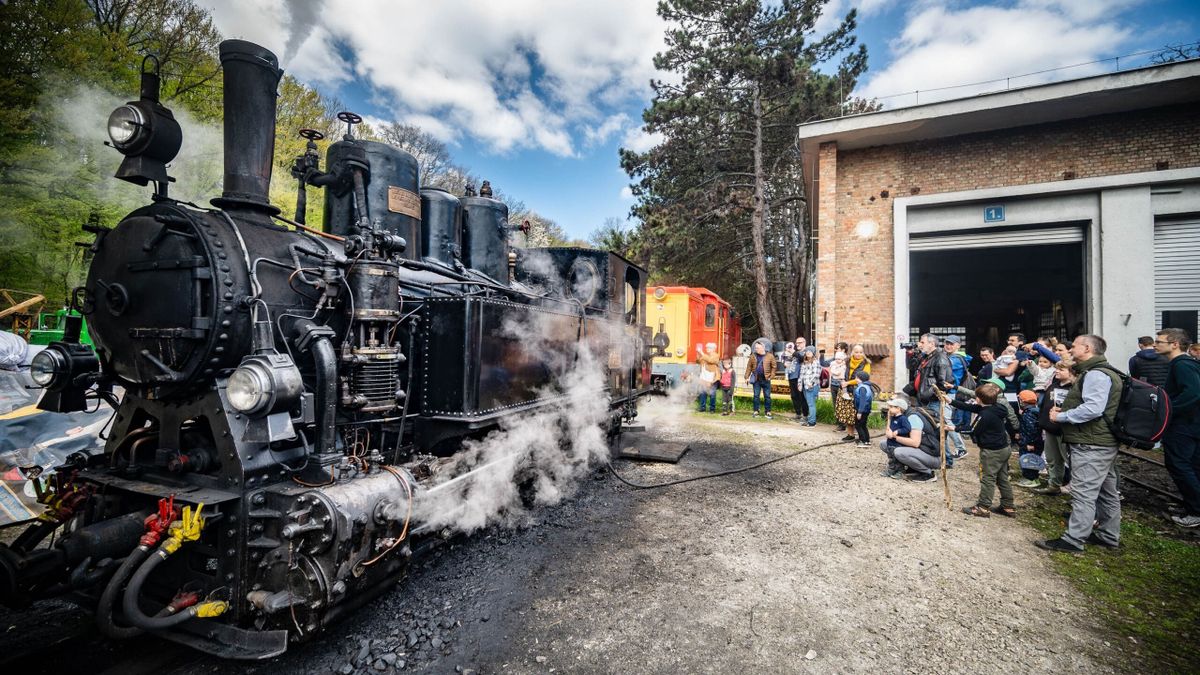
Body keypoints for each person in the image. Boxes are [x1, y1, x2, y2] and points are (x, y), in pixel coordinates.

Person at [1037, 334, 1124, 553]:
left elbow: (1093, 408)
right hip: (1100, 441)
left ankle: (1073, 540)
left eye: (1073, 346)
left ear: (1086, 348)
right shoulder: (1101, 371)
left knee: (1084, 492)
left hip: (1091, 442)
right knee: (1107, 491)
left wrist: (1062, 417)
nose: (1069, 350)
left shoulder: (1096, 374)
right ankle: (1108, 535)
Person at [1154, 328, 1200, 527]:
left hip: (1184, 425)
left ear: (1174, 344)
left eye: (1160, 341)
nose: (1155, 345)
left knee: (1178, 464)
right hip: (1191, 424)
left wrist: (1169, 409)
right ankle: (1192, 505)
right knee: (1193, 465)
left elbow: (1193, 393)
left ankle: (1196, 510)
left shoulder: (1182, 365)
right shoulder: (1186, 363)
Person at [953, 383, 1017, 517]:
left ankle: (983, 507)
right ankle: (1008, 506)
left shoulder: (985, 415)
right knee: (1002, 478)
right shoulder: (997, 407)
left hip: (991, 452)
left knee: (987, 478)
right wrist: (952, 401)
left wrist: (953, 428)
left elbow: (972, 430)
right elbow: (973, 408)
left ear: (978, 399)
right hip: (1004, 448)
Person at [907, 333, 958, 464]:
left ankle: (946, 460)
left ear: (932, 343)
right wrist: (910, 353)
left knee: (938, 429)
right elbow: (911, 367)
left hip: (932, 400)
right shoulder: (926, 357)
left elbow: (945, 382)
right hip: (923, 399)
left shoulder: (940, 358)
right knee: (930, 429)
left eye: (922, 342)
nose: (920, 344)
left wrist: (931, 395)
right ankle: (940, 457)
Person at [1035, 357, 1075, 496]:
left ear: (1071, 372)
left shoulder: (1075, 389)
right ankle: (1054, 485)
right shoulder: (1053, 384)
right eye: (1056, 368)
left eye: (1061, 369)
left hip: (1065, 430)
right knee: (1053, 459)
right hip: (1050, 427)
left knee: (1069, 460)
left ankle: (1074, 488)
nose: (1056, 371)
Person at [879, 396, 939, 481]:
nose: (889, 409)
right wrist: (889, 418)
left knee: (898, 452)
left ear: (899, 408)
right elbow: (889, 432)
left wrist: (894, 437)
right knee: (884, 444)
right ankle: (908, 468)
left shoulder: (912, 418)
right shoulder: (899, 416)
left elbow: (915, 443)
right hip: (921, 450)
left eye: (891, 407)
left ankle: (928, 473)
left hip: (930, 454)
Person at [944, 335, 972, 456]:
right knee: (945, 419)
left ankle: (961, 448)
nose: (948, 346)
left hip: (951, 392)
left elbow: (942, 367)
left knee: (946, 420)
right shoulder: (951, 357)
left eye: (952, 344)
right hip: (950, 392)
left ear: (958, 346)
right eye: (947, 343)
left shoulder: (956, 359)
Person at [1015, 390, 1045, 488]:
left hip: (1030, 442)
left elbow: (1031, 429)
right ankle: (1034, 478)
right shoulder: (1036, 411)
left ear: (1022, 401)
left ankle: (1030, 479)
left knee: (1028, 460)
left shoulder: (1028, 414)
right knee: (1034, 459)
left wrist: (1030, 443)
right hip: (1036, 441)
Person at [744, 340, 776, 419]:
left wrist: (771, 376)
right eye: (755, 348)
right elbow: (749, 367)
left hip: (766, 379)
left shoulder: (770, 356)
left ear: (763, 348)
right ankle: (756, 411)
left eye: (757, 348)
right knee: (756, 396)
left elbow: (774, 367)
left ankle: (768, 412)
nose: (756, 349)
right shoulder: (753, 356)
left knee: (767, 396)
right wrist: (746, 377)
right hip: (756, 379)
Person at [823, 342, 850, 431]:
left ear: (843, 349)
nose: (835, 350)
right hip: (833, 384)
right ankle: (840, 424)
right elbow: (824, 363)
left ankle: (847, 424)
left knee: (843, 404)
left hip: (842, 385)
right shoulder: (834, 360)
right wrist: (821, 355)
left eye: (837, 348)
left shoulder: (847, 360)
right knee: (835, 404)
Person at [785, 339, 808, 422]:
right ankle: (798, 414)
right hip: (792, 376)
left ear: (804, 343)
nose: (797, 344)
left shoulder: (806, 351)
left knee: (802, 397)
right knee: (794, 396)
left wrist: (793, 352)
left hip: (800, 377)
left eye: (800, 343)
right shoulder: (794, 353)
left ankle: (805, 415)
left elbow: (802, 359)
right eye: (796, 343)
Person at [798, 348, 821, 426]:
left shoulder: (815, 362)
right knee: (809, 403)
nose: (808, 352)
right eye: (807, 351)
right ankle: (810, 419)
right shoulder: (804, 363)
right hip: (805, 386)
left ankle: (812, 422)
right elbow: (801, 375)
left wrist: (811, 383)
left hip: (812, 386)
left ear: (813, 353)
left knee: (811, 404)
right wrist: (800, 384)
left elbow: (816, 374)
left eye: (810, 351)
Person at [696, 342, 720, 413]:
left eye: (709, 348)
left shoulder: (716, 355)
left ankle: (712, 409)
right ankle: (702, 408)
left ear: (713, 349)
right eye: (706, 347)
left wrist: (702, 353)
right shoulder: (705, 355)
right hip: (704, 377)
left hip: (712, 378)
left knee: (712, 394)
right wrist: (698, 353)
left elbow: (710, 360)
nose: (707, 349)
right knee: (703, 393)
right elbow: (698, 361)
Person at [853, 371, 873, 447]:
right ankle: (867, 440)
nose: (856, 379)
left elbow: (863, 400)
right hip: (866, 409)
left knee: (858, 425)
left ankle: (862, 441)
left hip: (862, 410)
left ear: (860, 379)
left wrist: (859, 412)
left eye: (857, 378)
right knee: (863, 425)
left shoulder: (862, 388)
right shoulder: (867, 386)